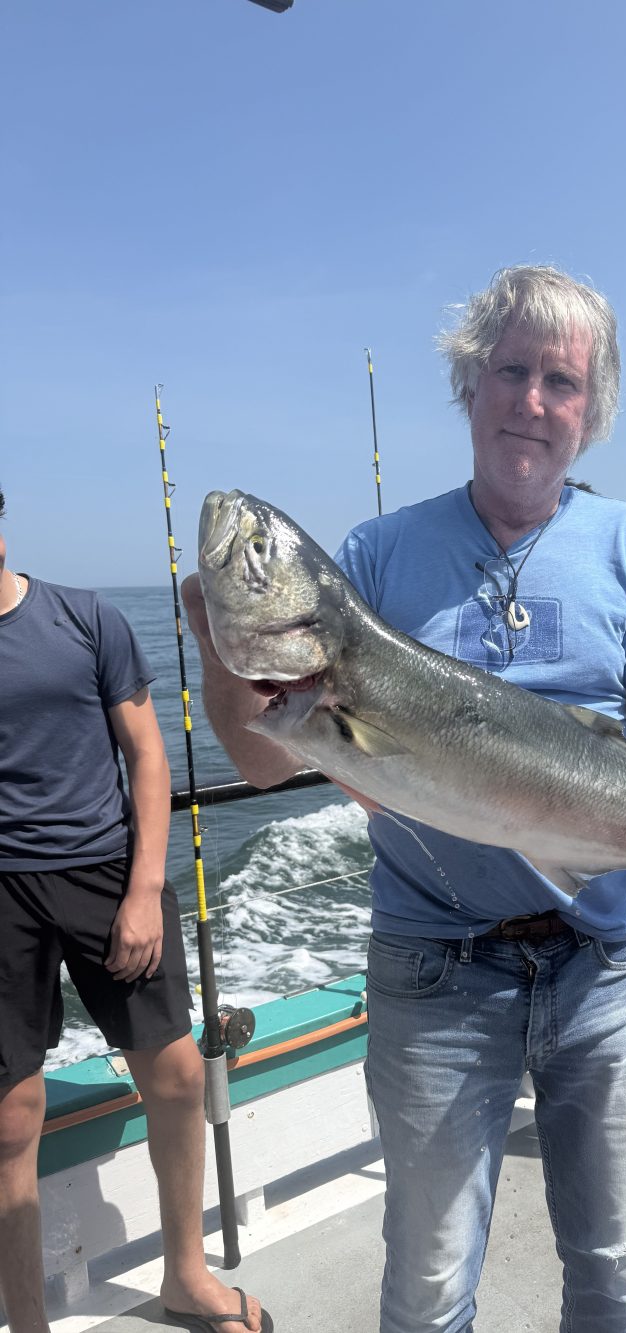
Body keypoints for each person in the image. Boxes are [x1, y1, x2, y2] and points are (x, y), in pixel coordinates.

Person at [183, 264, 626, 1333]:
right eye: (511, 371)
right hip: (434, 967)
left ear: (589, 413)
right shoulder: (373, 554)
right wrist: (223, 651)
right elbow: (270, 762)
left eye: (561, 381)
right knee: (426, 1283)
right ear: (470, 385)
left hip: (607, 963)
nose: (533, 401)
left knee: (615, 1266)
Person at [0, 487, 271, 1333]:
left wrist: (145, 890)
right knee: (11, 1112)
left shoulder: (86, 619)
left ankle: (185, 1275)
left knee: (181, 1073)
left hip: (106, 870)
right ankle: (29, 1321)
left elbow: (148, 754)